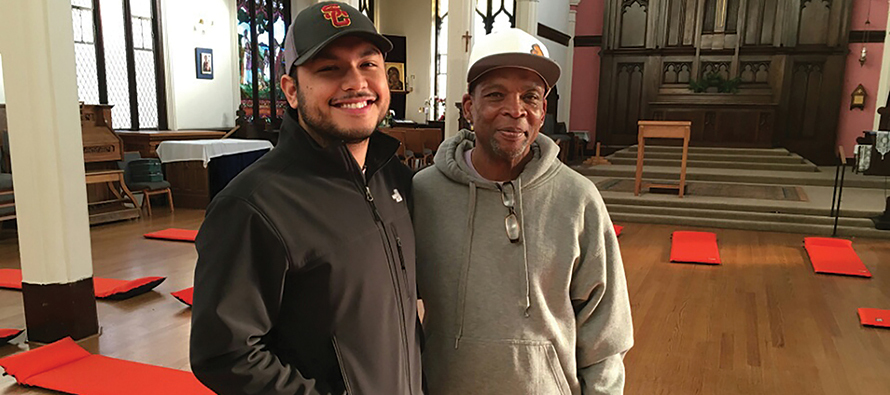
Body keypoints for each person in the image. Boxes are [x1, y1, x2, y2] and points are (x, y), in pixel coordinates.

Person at [190, 2, 423, 394]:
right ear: (292, 90)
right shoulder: (253, 206)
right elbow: (224, 352)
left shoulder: (395, 179)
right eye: (329, 68)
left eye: (368, 64)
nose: (355, 83)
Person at [413, 28, 633, 394]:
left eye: (530, 97)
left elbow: (606, 331)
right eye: (496, 95)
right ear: (469, 107)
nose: (515, 111)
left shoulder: (578, 199)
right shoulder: (424, 193)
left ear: (543, 110)